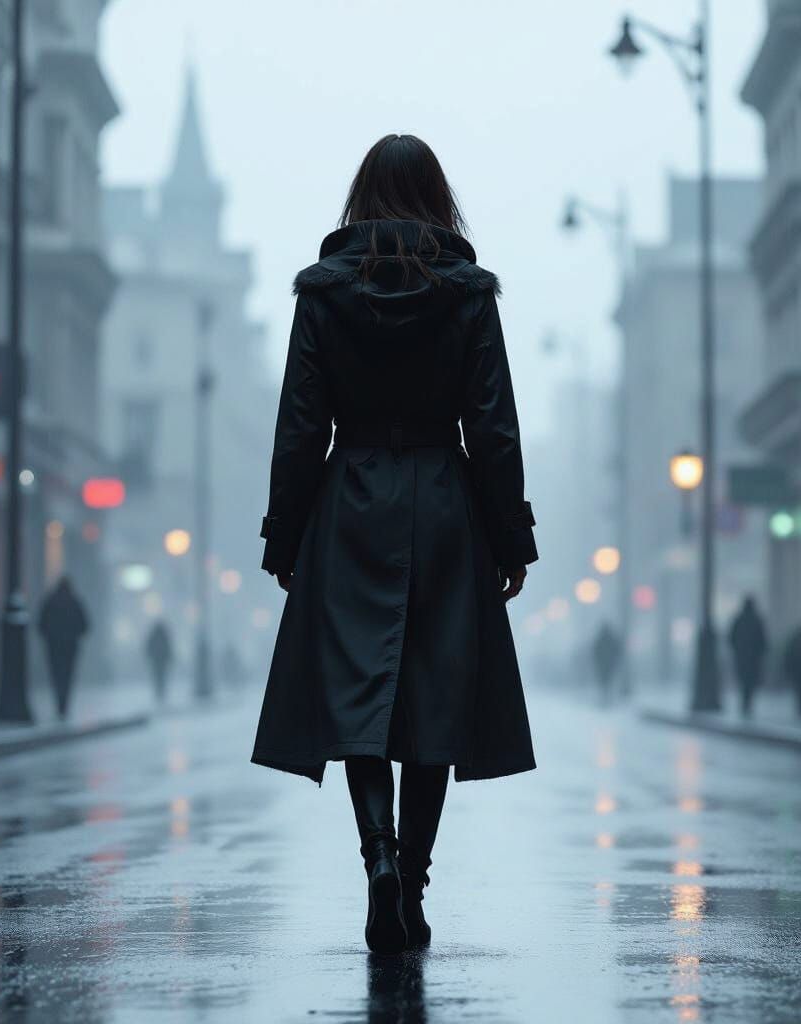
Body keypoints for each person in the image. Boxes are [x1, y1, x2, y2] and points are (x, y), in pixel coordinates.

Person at [251, 135, 538, 954]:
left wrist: (285, 536)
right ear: (439, 198)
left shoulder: (323, 292)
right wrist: (510, 537)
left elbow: (301, 424)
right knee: (433, 696)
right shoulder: (469, 294)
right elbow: (492, 425)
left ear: (361, 196)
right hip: (444, 502)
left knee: (359, 692)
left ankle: (377, 854)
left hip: (351, 503)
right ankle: (412, 879)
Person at [37, 576, 90, 720]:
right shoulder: (74, 602)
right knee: (67, 675)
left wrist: (49, 635)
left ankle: (59, 703)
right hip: (70, 647)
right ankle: (63, 705)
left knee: (56, 674)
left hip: (53, 646)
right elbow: (85, 625)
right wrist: (74, 634)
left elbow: (41, 623)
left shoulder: (51, 601)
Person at [728, 596, 768, 718]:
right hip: (753, 659)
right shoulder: (757, 620)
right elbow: (763, 640)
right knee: (750, 682)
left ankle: (745, 703)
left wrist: (736, 650)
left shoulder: (739, 620)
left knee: (744, 681)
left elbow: (731, 638)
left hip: (742, 658)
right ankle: (747, 703)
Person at [145, 620, 174, 703]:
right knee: (162, 676)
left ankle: (158, 692)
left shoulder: (153, 635)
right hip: (162, 660)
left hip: (156, 660)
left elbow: (148, 647)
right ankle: (161, 691)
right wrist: (169, 658)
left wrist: (149, 656)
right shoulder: (164, 636)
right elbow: (168, 648)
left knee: (157, 676)